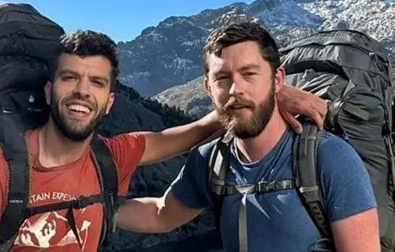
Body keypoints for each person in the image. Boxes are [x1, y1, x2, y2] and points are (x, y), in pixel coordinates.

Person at [0, 29, 327, 252]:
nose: (82, 92)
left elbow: (188, 134)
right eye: (70, 78)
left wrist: (261, 99)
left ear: (110, 101)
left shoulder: (111, 157)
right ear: (50, 90)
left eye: (96, 82)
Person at [115, 22, 380, 252]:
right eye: (222, 78)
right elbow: (162, 215)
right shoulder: (211, 160)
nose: (235, 89)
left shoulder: (328, 158)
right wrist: (89, 207)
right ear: (208, 87)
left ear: (277, 81)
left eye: (249, 74)